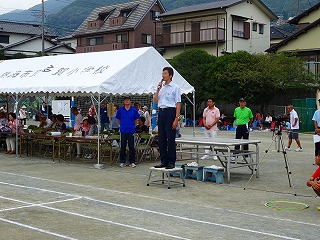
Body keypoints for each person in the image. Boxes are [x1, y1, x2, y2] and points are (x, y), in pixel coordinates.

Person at [153, 66, 181, 169]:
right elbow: (155, 101)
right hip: (161, 112)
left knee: (170, 138)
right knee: (162, 138)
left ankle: (171, 161)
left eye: (165, 73)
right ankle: (163, 160)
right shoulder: (162, 87)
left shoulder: (175, 87)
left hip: (170, 112)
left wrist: (176, 118)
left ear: (170, 75)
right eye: (162, 73)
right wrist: (158, 89)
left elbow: (178, 103)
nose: (163, 75)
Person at [116, 96, 140, 168]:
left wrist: (132, 125)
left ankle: (132, 161)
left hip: (131, 130)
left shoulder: (134, 110)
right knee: (122, 146)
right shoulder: (120, 110)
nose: (126, 101)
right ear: (123, 102)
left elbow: (136, 120)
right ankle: (122, 161)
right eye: (125, 100)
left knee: (131, 147)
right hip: (123, 130)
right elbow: (118, 120)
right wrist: (123, 125)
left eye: (128, 100)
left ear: (130, 101)